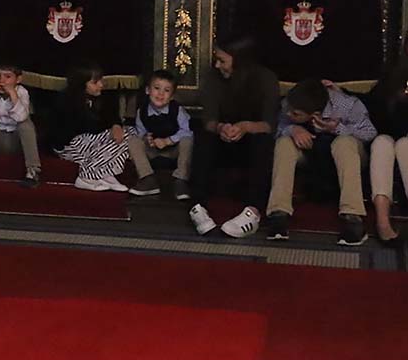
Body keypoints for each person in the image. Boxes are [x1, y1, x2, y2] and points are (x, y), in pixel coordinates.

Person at [265, 79, 376, 245]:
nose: (288, 114)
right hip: (310, 152)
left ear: (315, 114)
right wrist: (292, 128)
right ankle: (278, 214)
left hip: (346, 154)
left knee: (344, 142)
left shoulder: (348, 105)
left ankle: (352, 216)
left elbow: (369, 133)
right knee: (284, 142)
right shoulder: (290, 102)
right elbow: (278, 126)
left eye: (295, 114)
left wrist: (337, 129)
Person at [187, 36, 278, 238]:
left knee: (263, 142)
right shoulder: (213, 77)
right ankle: (198, 206)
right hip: (223, 140)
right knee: (203, 137)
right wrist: (220, 127)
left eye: (222, 60)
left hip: (251, 141)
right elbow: (208, 119)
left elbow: (269, 124)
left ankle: (253, 211)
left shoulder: (266, 79)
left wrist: (245, 127)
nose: (217, 65)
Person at [49, 62, 130, 192]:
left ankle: (104, 173)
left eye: (101, 80)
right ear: (81, 84)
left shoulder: (103, 97)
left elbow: (112, 117)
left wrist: (116, 125)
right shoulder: (66, 100)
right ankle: (87, 175)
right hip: (70, 145)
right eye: (95, 82)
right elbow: (75, 131)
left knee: (130, 133)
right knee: (124, 136)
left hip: (94, 140)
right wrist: (108, 132)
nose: (101, 85)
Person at [126, 69, 194, 199]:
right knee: (133, 140)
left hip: (173, 151)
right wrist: (147, 139)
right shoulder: (142, 111)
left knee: (187, 139)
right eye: (156, 88)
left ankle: (181, 180)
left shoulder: (177, 110)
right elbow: (141, 133)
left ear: (172, 96)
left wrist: (168, 141)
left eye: (166, 90)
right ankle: (147, 179)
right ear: (148, 90)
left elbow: (187, 131)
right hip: (153, 151)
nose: (160, 94)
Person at [365, 61, 408, 244]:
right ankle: (383, 222)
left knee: (405, 144)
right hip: (392, 134)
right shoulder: (395, 76)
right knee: (382, 142)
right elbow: (370, 104)